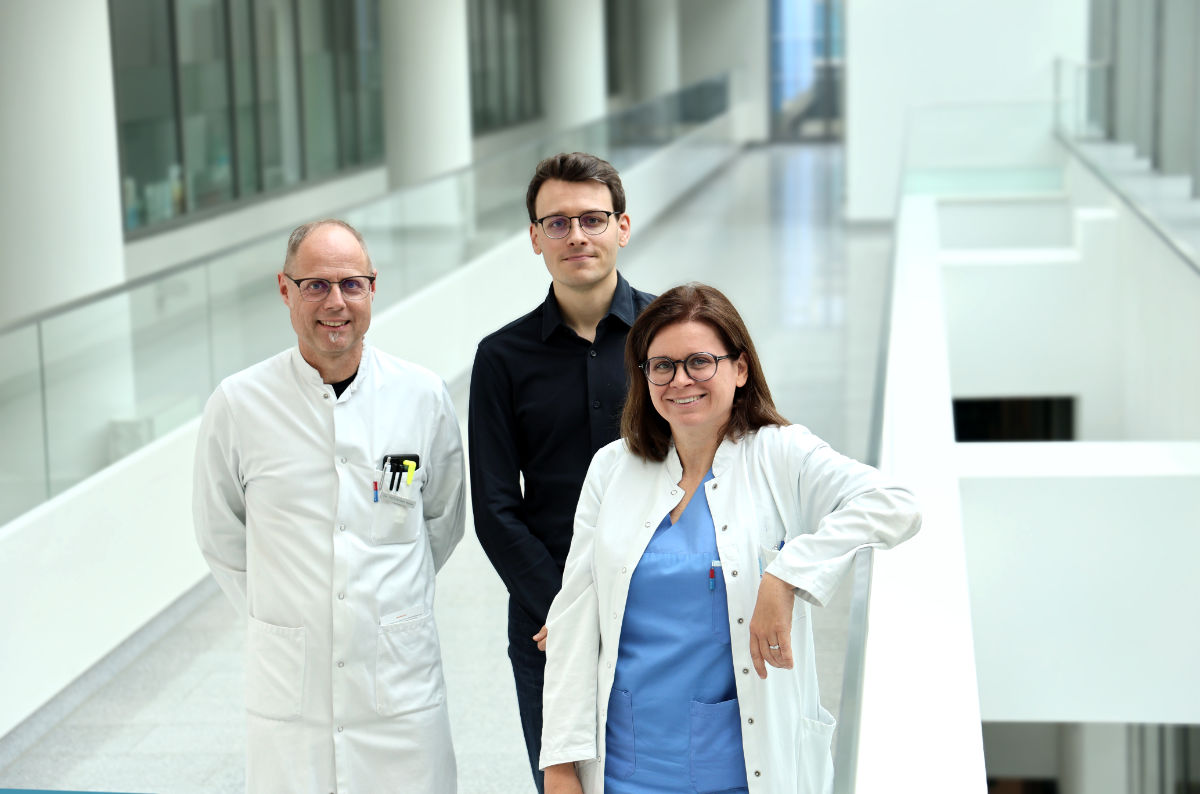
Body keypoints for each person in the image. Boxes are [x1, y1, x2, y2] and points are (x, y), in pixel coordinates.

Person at [539, 283, 922, 794]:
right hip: (625, 767)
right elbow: (574, 619)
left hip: (743, 771)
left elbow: (895, 503)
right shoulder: (612, 468)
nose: (680, 380)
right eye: (662, 366)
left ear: (740, 369)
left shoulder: (780, 455)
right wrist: (561, 764)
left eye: (701, 362)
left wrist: (786, 574)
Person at [193, 219, 466, 794]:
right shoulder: (239, 403)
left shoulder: (421, 394)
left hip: (399, 679)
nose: (335, 302)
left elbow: (442, 516)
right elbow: (219, 534)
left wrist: (384, 597)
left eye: (351, 284)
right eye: (315, 285)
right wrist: (288, 608)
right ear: (284, 289)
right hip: (291, 684)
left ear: (372, 288)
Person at [469, 152, 655, 792]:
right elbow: (494, 507)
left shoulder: (673, 335)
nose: (576, 236)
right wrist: (569, 609)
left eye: (593, 219)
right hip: (547, 621)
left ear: (622, 227)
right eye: (557, 223)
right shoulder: (500, 358)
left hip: (661, 605)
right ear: (534, 238)